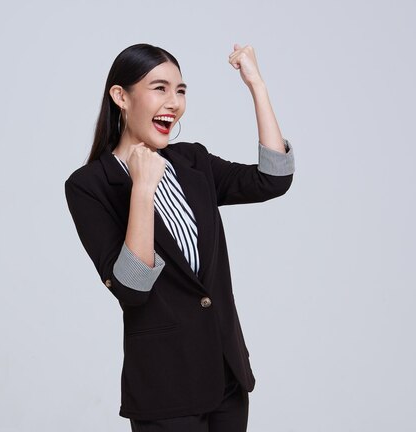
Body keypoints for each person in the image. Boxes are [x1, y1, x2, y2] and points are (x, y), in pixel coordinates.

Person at [64, 43, 295, 432]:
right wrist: (142, 188)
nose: (174, 102)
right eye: (160, 88)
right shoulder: (90, 186)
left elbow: (272, 179)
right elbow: (132, 289)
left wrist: (257, 85)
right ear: (121, 96)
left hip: (226, 376)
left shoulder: (193, 162)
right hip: (165, 389)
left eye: (181, 90)